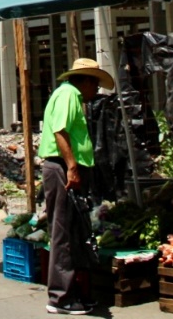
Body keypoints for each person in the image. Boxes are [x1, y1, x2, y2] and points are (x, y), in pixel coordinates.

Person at [37, 57, 113, 316]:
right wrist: (72, 166)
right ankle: (60, 297)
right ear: (87, 80)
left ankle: (77, 292)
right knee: (63, 232)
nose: (96, 91)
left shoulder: (70, 95)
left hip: (69, 169)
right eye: (95, 84)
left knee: (76, 231)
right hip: (62, 168)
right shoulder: (68, 94)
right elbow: (60, 131)